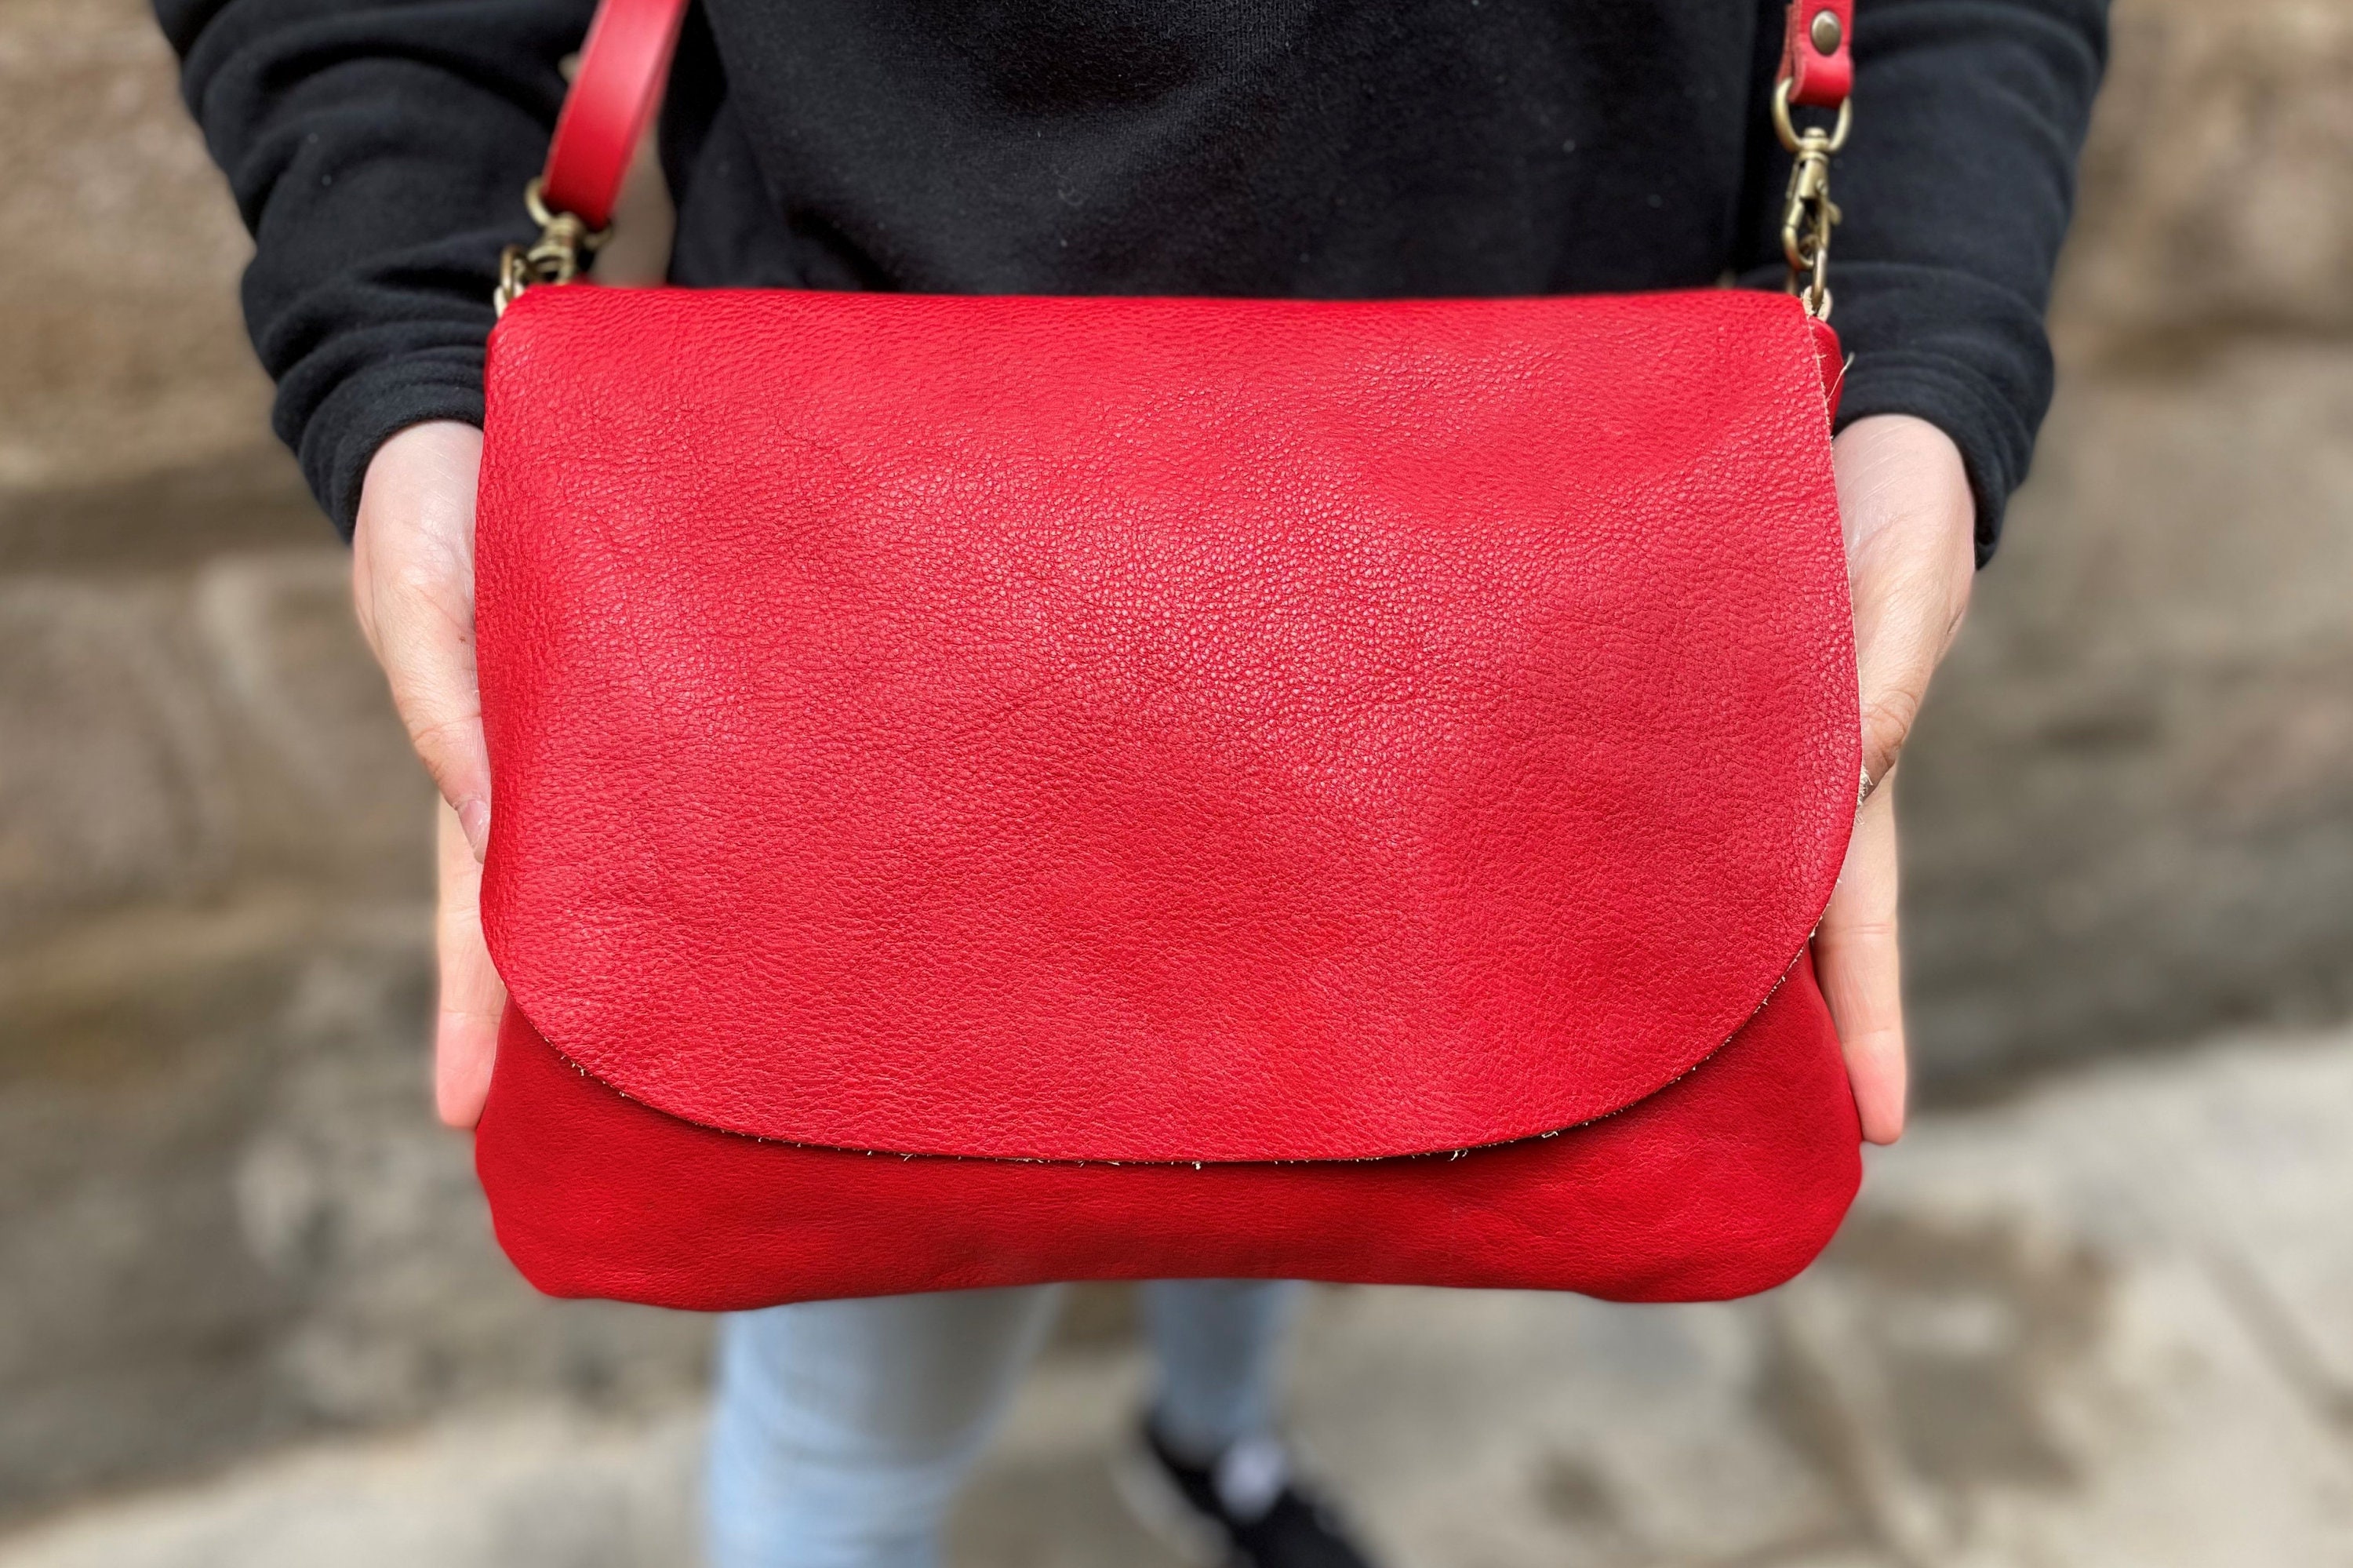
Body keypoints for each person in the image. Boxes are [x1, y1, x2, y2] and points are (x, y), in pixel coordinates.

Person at [158, 2, 2108, 1563]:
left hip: (1542, 616)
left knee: (1334, 1154)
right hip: (850, 651)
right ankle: (1210, 1451)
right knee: (865, 1417)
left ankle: (1216, 1450)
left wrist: (1915, 375)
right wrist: (411, 354)